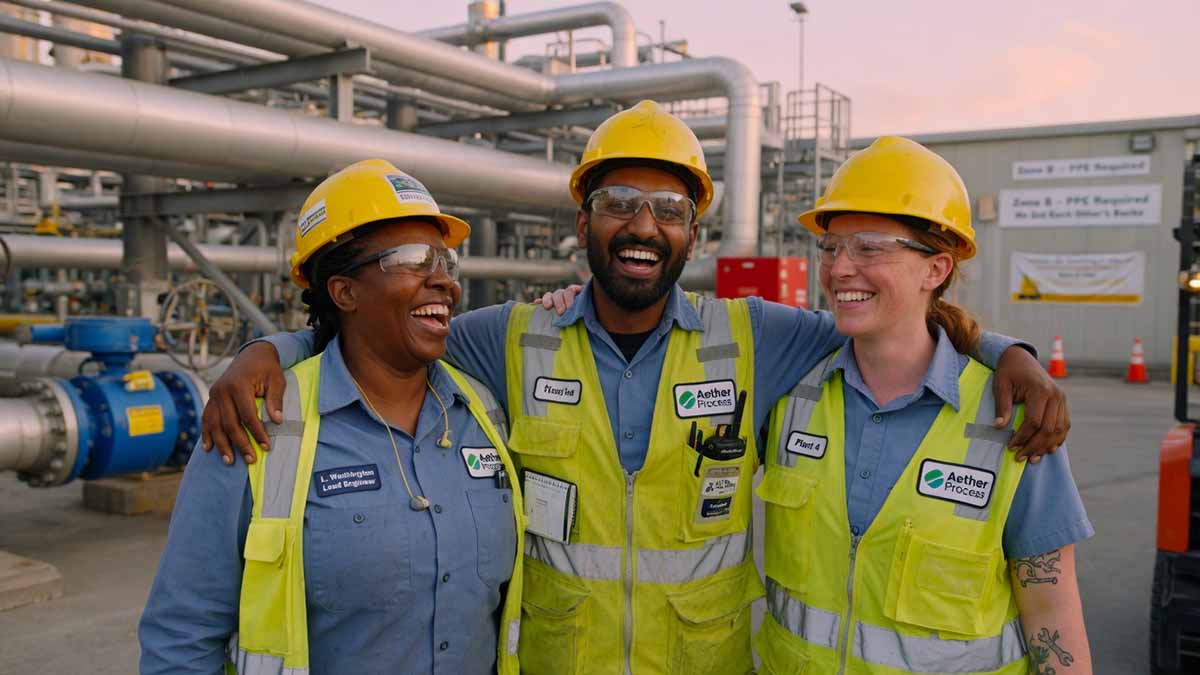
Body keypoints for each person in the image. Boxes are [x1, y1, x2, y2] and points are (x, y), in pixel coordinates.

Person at [200, 102, 1069, 674]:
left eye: (670, 208)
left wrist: (1006, 351)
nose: (643, 226)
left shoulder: (758, 337)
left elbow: (893, 321)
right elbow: (385, 328)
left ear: (694, 231)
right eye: (619, 201)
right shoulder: (504, 338)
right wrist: (273, 349)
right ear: (583, 223)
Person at [139, 160, 524, 674]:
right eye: (413, 260)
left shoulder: (484, 412)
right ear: (344, 292)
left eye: (446, 262)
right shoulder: (260, 425)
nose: (443, 282)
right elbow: (184, 633)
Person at [755, 137, 1092, 674]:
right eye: (831, 247)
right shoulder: (791, 394)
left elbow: (1052, 613)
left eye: (869, 248)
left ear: (936, 269)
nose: (839, 268)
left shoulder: (1013, 419)